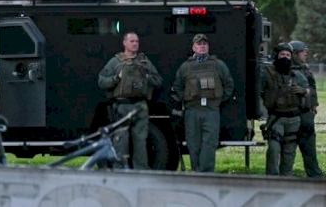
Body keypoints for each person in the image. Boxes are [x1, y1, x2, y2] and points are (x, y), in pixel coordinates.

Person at [98, 32, 162, 169]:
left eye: (137, 41)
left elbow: (158, 81)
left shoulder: (144, 61)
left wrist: (147, 76)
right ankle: (120, 170)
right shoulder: (116, 61)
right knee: (120, 141)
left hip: (140, 106)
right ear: (125, 43)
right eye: (132, 41)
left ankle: (141, 171)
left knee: (140, 141)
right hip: (122, 106)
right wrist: (116, 78)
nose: (135, 44)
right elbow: (102, 82)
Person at [171, 33, 234, 172]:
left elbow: (229, 85)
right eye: (199, 44)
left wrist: (219, 100)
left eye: (204, 44)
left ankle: (206, 174)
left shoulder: (218, 65)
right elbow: (177, 87)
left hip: (211, 111)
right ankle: (196, 172)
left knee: (209, 144)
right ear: (193, 47)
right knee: (194, 145)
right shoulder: (186, 67)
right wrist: (186, 99)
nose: (202, 46)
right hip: (192, 111)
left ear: (208, 46)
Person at [260, 42, 310, 176]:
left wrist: (303, 91)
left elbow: (308, 90)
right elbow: (258, 92)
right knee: (274, 150)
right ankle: (272, 180)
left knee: (289, 154)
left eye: (288, 55)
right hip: (276, 119)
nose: (285, 57)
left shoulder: (295, 74)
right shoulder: (267, 73)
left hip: (294, 120)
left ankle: (286, 180)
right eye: (282, 54)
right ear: (276, 55)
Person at [289, 40, 324, 178]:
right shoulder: (287, 70)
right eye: (303, 51)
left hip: (307, 114)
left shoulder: (306, 69)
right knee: (288, 151)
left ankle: (315, 175)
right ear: (295, 54)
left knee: (310, 150)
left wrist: (313, 107)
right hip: (293, 115)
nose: (306, 54)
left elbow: (313, 90)